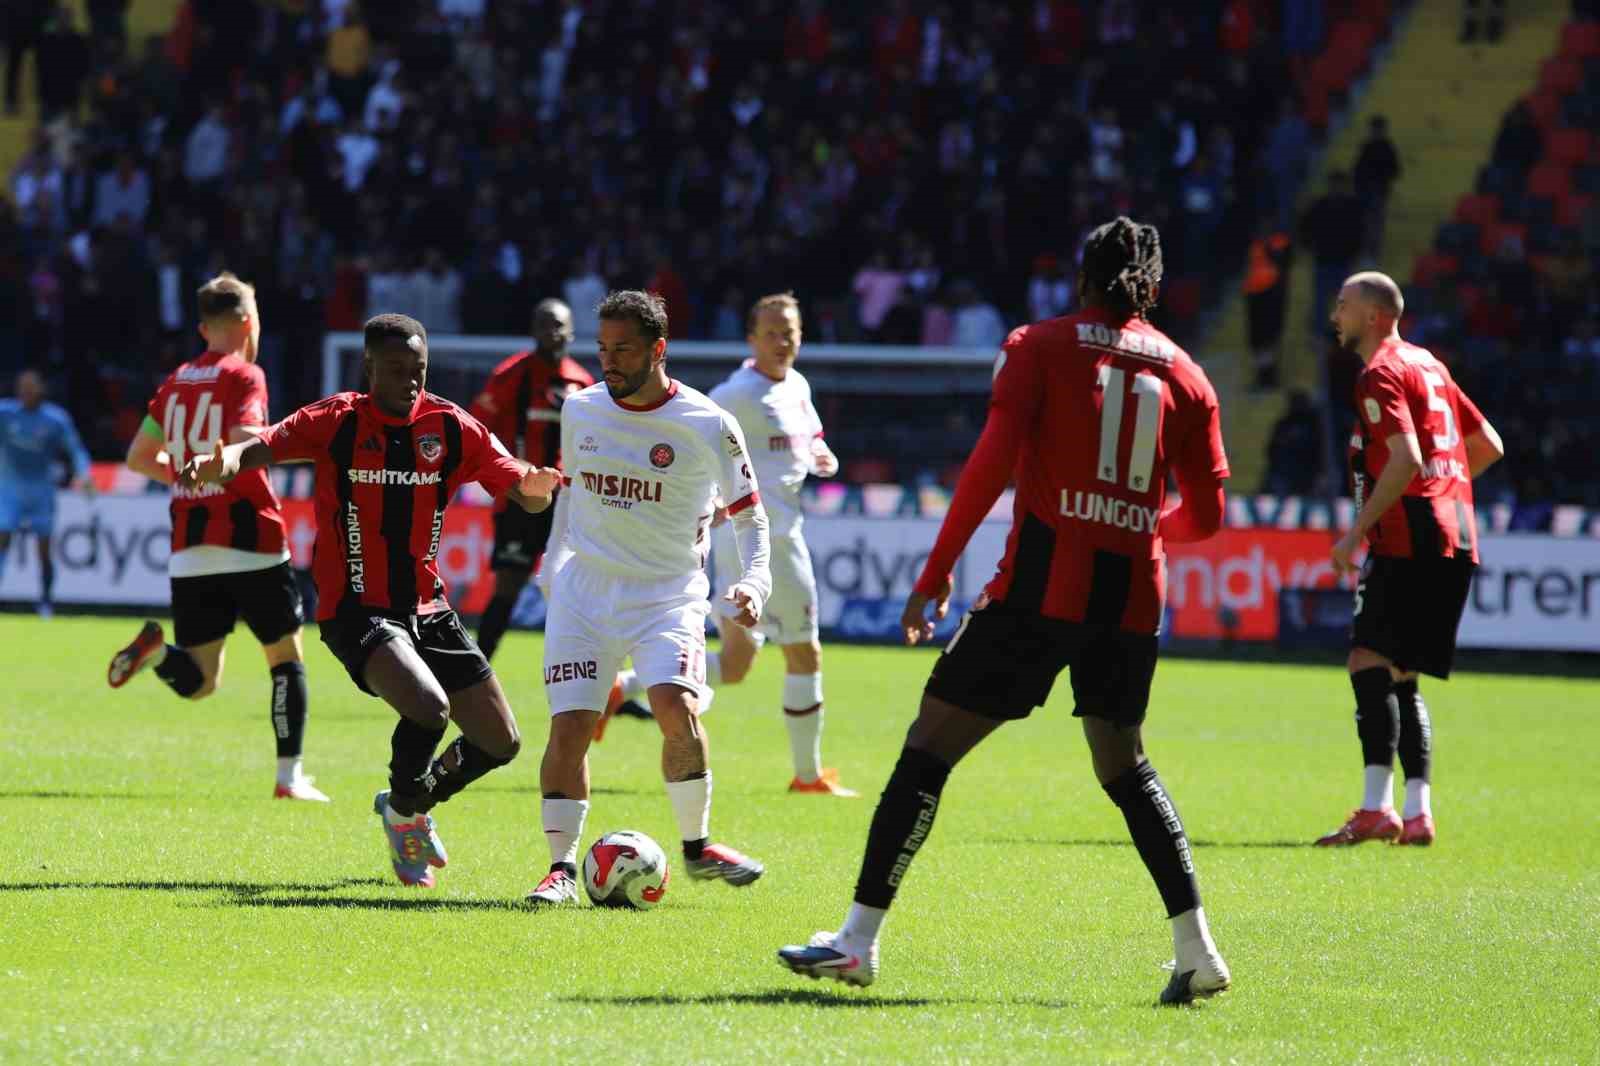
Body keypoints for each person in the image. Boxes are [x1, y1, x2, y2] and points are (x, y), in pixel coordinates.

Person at [777, 217, 1234, 1005]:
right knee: (1125, 766)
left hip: (1040, 590)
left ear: (1079, 277)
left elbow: (989, 468)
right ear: (1152, 290)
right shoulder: (1189, 376)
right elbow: (1207, 516)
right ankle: (1198, 952)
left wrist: (935, 573)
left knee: (927, 750)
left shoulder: (1041, 346)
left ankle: (856, 941)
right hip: (1132, 598)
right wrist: (1134, 527)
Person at [178, 313, 561, 887]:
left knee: (501, 741)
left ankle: (407, 801)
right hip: (355, 609)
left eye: (419, 370)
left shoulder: (452, 427)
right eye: (397, 369)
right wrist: (224, 462)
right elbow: (263, 445)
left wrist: (534, 489)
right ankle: (407, 820)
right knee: (429, 708)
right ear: (369, 366)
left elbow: (516, 483)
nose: (410, 381)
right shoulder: (337, 420)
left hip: (428, 608)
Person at [528, 290, 771, 906]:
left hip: (668, 593)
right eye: (603, 348)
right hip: (586, 592)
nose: (607, 362)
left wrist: (755, 580)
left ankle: (697, 848)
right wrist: (554, 562)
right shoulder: (580, 409)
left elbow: (750, 516)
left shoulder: (708, 423)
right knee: (571, 727)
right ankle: (559, 869)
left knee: (676, 707)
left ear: (658, 350)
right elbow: (570, 493)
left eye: (623, 350)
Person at [613, 292, 854, 795]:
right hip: (766, 543)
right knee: (805, 654)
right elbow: (691, 435)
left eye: (790, 331)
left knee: (739, 665)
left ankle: (625, 686)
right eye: (771, 333)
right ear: (751, 340)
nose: (782, 341)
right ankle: (808, 776)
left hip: (766, 539)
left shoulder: (798, 386)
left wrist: (820, 453)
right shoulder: (737, 393)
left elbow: (811, 435)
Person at [108, 274, 325, 800]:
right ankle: (288, 776)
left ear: (205, 327)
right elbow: (246, 446)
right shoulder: (246, 375)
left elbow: (139, 456)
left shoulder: (178, 380)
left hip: (190, 542)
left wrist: (186, 475)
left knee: (201, 680)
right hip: (251, 534)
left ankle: (159, 654)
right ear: (250, 322)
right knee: (285, 657)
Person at [1318, 272, 1503, 848]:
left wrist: (1356, 533)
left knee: (1365, 660)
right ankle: (1417, 811)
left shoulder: (1380, 373)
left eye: (1344, 306)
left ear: (1374, 316)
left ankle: (1376, 808)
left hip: (1411, 537)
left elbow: (1405, 458)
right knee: (1401, 675)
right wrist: (1445, 493)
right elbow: (1488, 445)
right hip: (1458, 534)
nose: (1335, 316)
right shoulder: (1430, 365)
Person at [468, 298, 593, 661]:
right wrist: (504, 477)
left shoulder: (582, 382)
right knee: (507, 586)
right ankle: (475, 673)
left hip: (567, 505)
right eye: (543, 323)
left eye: (557, 324)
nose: (550, 332)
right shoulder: (511, 375)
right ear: (532, 329)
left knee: (580, 591)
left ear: (570, 331)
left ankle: (604, 682)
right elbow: (478, 428)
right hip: (519, 501)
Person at [0, 368, 92, 616]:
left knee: (43, 549)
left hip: (42, 491)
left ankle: (45, 601)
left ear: (41, 390)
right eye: (23, 389)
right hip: (9, 489)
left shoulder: (55, 419)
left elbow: (76, 449)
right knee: (2, 537)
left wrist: (84, 474)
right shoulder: (5, 413)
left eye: (32, 389)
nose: (27, 393)